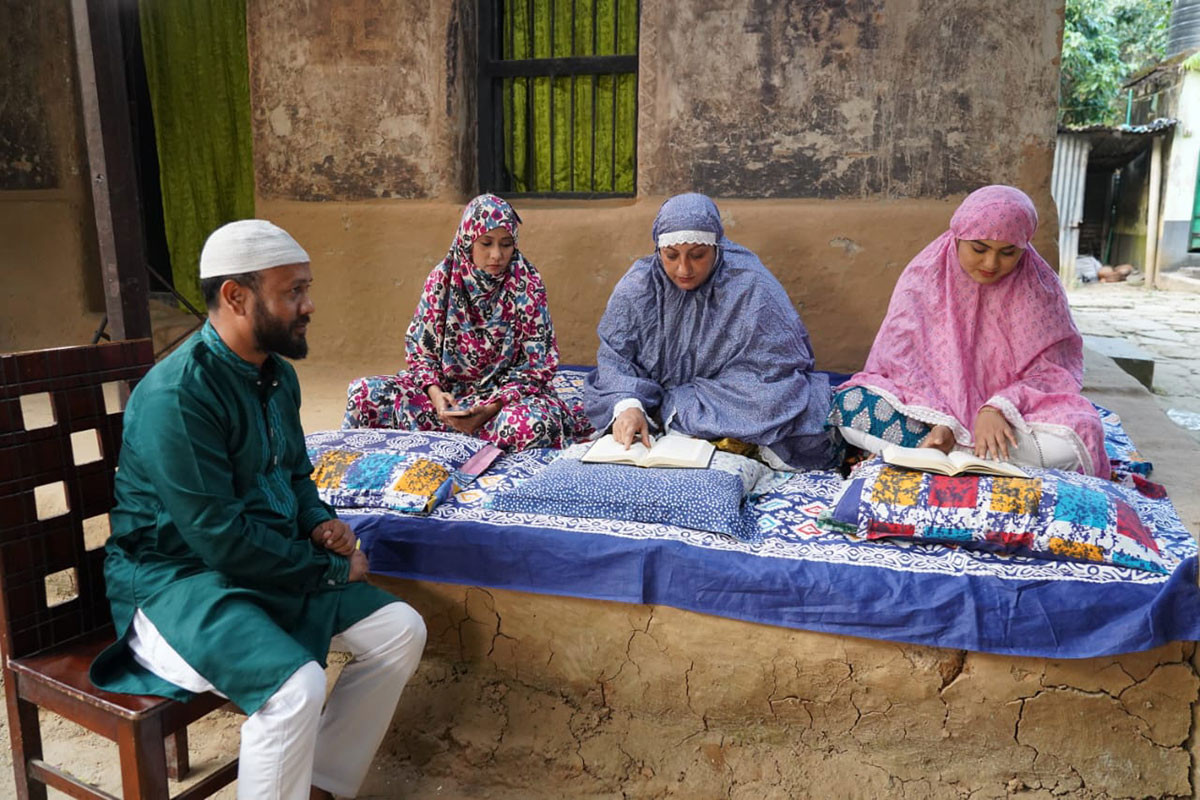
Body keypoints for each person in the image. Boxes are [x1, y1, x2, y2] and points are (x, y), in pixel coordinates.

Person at [89, 220, 427, 800]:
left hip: (260, 564)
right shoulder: (179, 395)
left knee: (401, 630)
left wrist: (317, 520)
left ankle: (320, 784)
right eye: (292, 291)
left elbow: (293, 474)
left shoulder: (278, 377)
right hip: (176, 582)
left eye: (306, 288)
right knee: (295, 689)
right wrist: (329, 568)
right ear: (236, 296)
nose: (309, 304)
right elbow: (218, 538)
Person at [829, 185, 1109, 478]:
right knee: (850, 404)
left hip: (1012, 420)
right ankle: (963, 451)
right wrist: (942, 420)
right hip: (927, 415)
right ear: (958, 236)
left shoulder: (1039, 289)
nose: (991, 263)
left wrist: (997, 408)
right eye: (979, 248)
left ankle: (948, 455)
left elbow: (1054, 373)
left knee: (1082, 431)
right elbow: (901, 364)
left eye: (1008, 252)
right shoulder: (924, 278)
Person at [584, 192, 836, 470]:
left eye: (698, 255)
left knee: (784, 407)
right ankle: (692, 420)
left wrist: (695, 397)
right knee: (622, 405)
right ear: (658, 251)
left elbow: (779, 363)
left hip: (726, 395)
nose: (684, 269)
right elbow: (614, 356)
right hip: (659, 394)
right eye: (671, 256)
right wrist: (627, 404)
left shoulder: (750, 282)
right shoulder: (638, 286)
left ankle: (684, 415)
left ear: (717, 247)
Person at [343, 193, 591, 449]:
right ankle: (463, 437)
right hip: (445, 402)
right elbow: (421, 352)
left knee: (535, 423)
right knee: (366, 393)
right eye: (486, 243)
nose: (496, 255)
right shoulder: (442, 280)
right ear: (467, 240)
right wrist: (437, 397)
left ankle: (471, 443)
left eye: (506, 244)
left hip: (503, 404)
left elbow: (536, 365)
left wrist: (489, 409)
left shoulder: (527, 284)